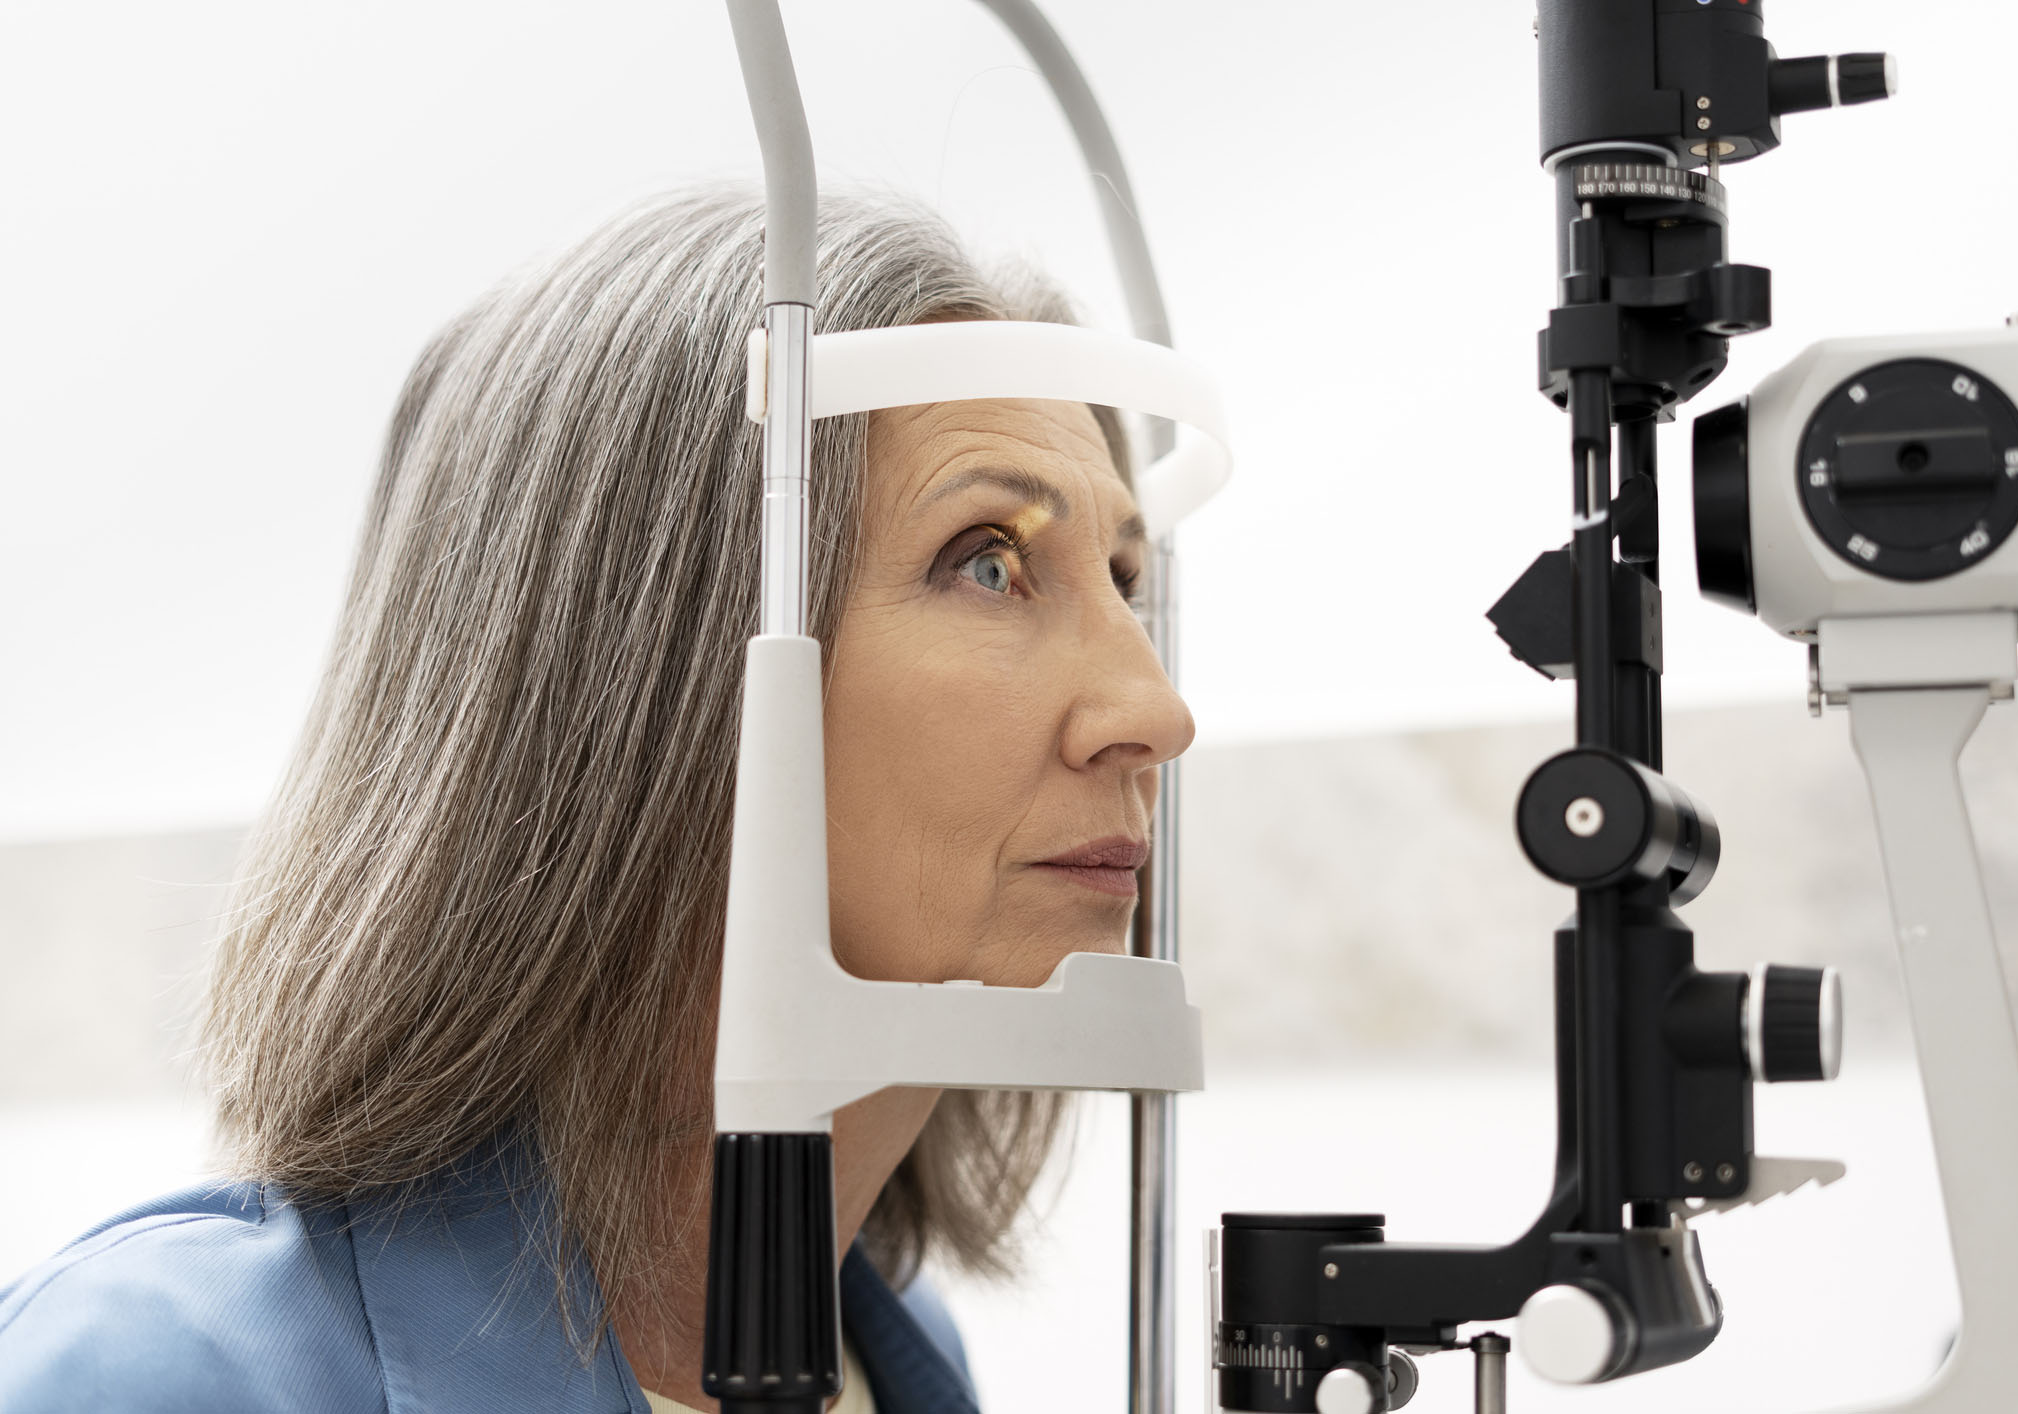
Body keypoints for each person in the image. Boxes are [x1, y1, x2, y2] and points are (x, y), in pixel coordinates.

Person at [0, 186, 1193, 1413]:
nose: (1156, 713)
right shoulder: (144, 1375)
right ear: (638, 659)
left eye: (1121, 577)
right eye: (988, 562)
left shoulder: (894, 1358)